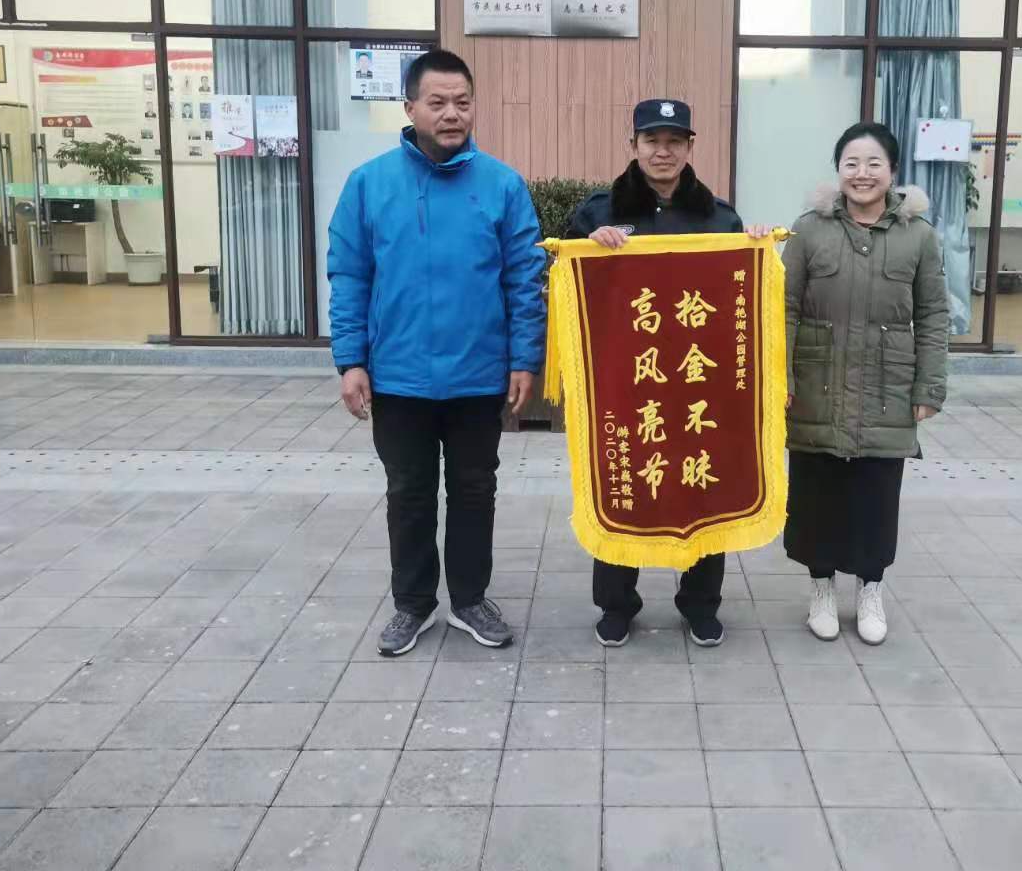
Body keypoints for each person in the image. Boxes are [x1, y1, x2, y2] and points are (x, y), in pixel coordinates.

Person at [328, 48, 546, 657]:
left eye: (462, 102)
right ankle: (413, 604)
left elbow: (524, 279)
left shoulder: (502, 186)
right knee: (410, 493)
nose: (452, 114)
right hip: (399, 378)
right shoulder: (369, 184)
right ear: (410, 108)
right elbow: (349, 276)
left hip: (479, 376)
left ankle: (470, 599)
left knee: (476, 491)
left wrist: (524, 360)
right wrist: (351, 361)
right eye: (438, 102)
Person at [566, 98, 767, 649]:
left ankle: (700, 604)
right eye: (651, 140)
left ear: (690, 147)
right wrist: (589, 249)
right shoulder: (599, 213)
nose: (663, 151)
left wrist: (755, 249)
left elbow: (738, 299)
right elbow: (566, 285)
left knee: (702, 487)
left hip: (698, 381)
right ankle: (616, 605)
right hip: (625, 383)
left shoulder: (719, 218)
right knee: (622, 484)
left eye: (674, 141)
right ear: (632, 145)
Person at [781, 121, 949, 645]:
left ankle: (871, 590)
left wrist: (929, 387)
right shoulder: (809, 230)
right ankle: (822, 589)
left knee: (876, 498)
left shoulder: (918, 236)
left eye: (874, 163)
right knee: (817, 495)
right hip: (817, 386)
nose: (862, 173)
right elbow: (783, 308)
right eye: (851, 163)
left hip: (887, 388)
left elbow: (933, 314)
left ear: (892, 171)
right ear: (838, 170)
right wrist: (779, 377)